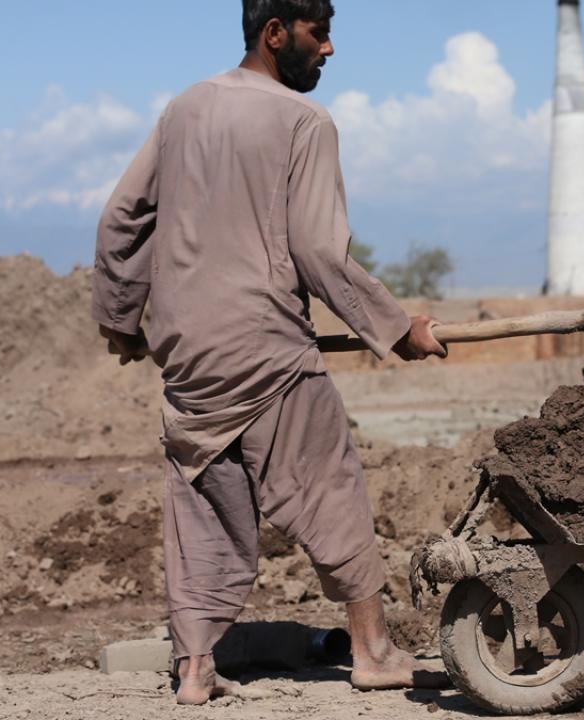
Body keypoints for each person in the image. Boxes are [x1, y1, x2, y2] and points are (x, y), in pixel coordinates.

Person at [91, 0, 448, 705]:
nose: (330, 49)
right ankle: (374, 650)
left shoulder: (184, 108)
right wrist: (395, 328)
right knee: (329, 485)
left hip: (189, 355)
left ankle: (196, 668)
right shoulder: (304, 121)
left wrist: (122, 319)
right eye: (321, 33)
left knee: (201, 506)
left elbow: (121, 218)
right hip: (268, 348)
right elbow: (317, 249)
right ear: (275, 33)